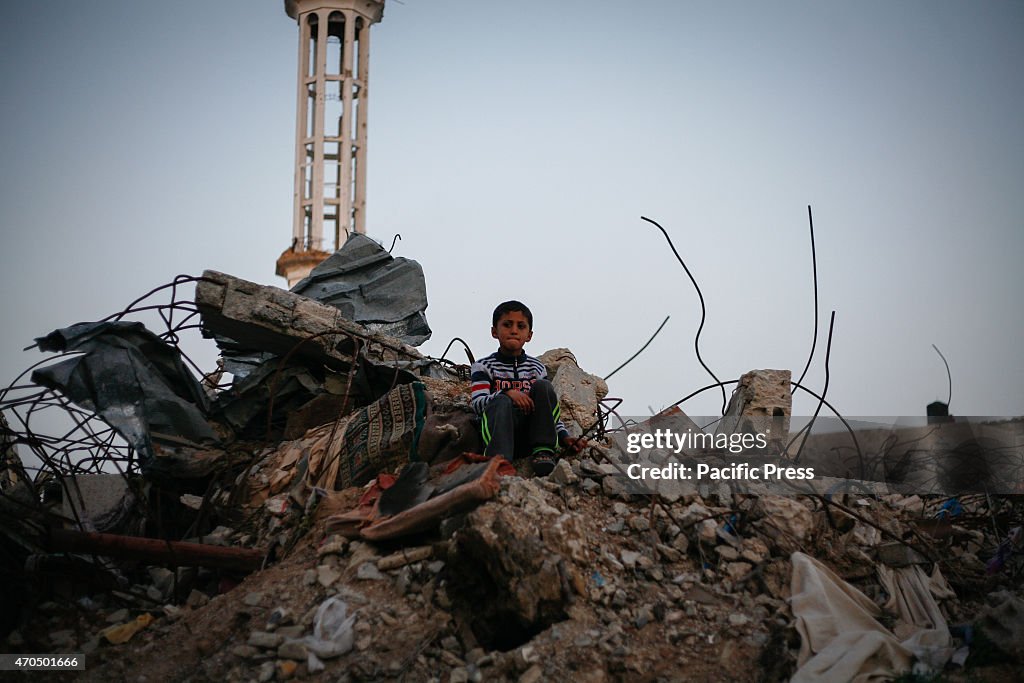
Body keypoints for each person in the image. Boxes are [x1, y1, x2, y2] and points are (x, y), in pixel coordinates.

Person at [469, 300, 587, 476]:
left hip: (530, 438)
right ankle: (499, 461)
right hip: (500, 437)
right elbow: (477, 404)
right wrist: (507, 393)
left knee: (543, 387)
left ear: (529, 335)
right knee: (501, 401)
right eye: (507, 325)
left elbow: (548, 412)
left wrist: (563, 436)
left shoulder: (536, 367)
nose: (514, 330)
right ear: (494, 331)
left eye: (521, 326)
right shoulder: (483, 366)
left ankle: (543, 451)